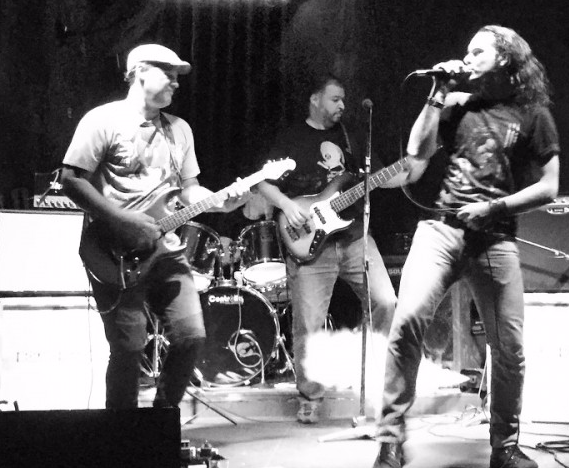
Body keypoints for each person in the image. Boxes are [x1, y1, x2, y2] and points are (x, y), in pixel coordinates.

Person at [372, 25, 560, 468]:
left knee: (509, 346)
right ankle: (390, 440)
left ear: (505, 59)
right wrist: (437, 92)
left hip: (494, 236)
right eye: (467, 51)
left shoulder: (533, 114)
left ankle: (505, 447)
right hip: (441, 229)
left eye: (478, 52)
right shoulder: (456, 103)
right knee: (407, 323)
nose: (467, 57)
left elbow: (550, 187)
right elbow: (417, 152)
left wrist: (495, 208)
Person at [60, 43, 249, 409]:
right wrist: (124, 220)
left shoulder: (180, 129)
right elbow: (70, 180)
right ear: (140, 72)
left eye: (178, 77)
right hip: (114, 253)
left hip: (166, 251)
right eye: (169, 75)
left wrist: (223, 201)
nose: (176, 83)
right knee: (128, 347)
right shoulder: (102, 120)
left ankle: (160, 421)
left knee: (191, 336)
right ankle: (123, 434)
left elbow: (190, 189)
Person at [255, 73, 400, 424]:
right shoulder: (291, 137)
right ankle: (310, 397)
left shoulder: (351, 138)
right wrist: (286, 206)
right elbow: (262, 182)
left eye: (344, 100)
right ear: (315, 99)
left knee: (386, 302)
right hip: (307, 239)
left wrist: (413, 165)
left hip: (355, 237)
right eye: (335, 99)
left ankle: (380, 380)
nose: (342, 106)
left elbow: (385, 177)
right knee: (309, 323)